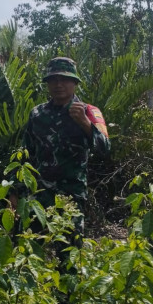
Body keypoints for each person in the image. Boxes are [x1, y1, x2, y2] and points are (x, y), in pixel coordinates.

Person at [19, 56, 110, 258]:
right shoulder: (37, 114)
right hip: (38, 195)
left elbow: (105, 148)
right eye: (53, 80)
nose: (58, 84)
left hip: (70, 196)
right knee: (26, 252)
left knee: (69, 257)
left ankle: (67, 291)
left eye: (64, 79)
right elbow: (25, 155)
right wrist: (16, 193)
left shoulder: (89, 111)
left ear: (75, 83)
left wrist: (84, 123)